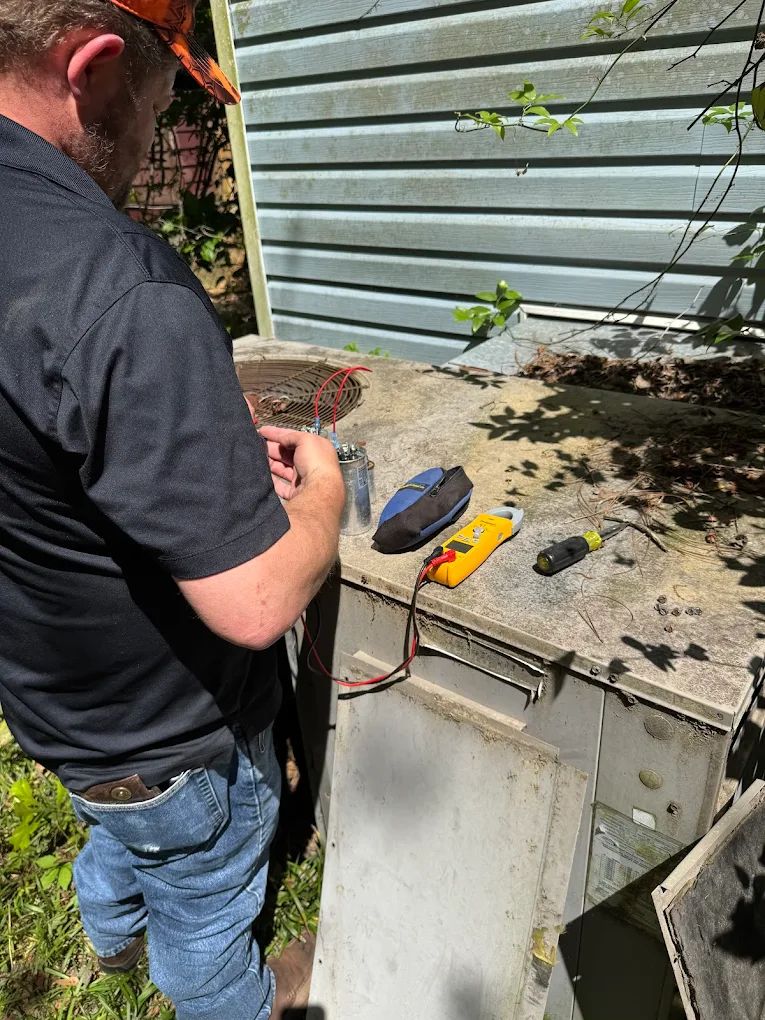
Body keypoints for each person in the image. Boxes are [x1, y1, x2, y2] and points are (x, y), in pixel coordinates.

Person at [0, 2, 345, 1018]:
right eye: (160, 99)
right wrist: (319, 492)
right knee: (202, 906)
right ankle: (217, 997)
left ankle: (105, 941)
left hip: (54, 704)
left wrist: (171, 431)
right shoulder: (117, 284)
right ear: (96, 69)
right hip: (171, 739)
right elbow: (255, 604)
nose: (155, 131)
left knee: (114, 836)